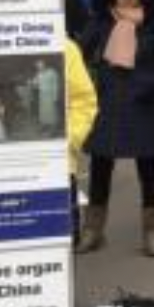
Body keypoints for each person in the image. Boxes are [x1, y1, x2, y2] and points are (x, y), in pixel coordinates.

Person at [76, 0, 154, 257]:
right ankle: (93, 230)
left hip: (143, 104)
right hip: (107, 104)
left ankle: (152, 232)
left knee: (148, 167)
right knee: (101, 166)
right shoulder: (101, 22)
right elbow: (76, 54)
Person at [65, 38, 98, 242]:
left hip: (56, 161)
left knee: (63, 243)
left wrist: (72, 139)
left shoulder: (65, 47)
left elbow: (84, 99)